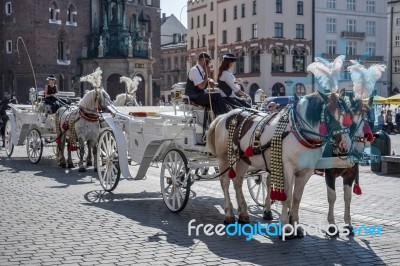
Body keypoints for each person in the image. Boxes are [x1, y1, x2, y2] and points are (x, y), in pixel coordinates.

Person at [185, 52, 229, 116]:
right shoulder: (194, 70)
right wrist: (207, 75)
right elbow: (201, 86)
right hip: (194, 97)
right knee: (217, 96)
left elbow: (203, 80)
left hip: (199, 96)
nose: (209, 64)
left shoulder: (200, 71)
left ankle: (217, 118)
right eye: (208, 62)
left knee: (214, 103)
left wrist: (209, 80)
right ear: (203, 60)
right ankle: (226, 116)